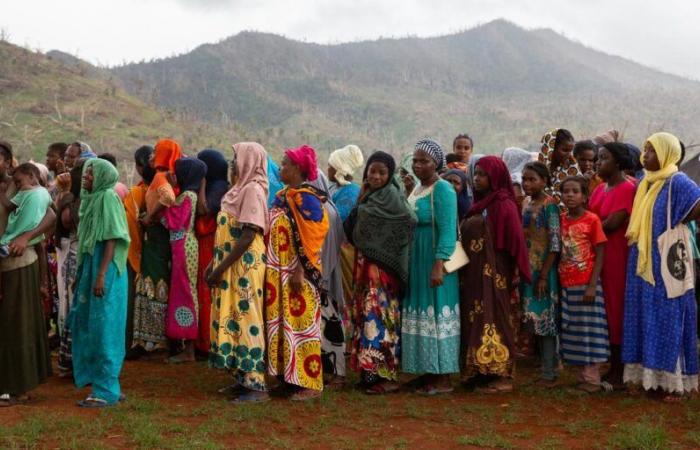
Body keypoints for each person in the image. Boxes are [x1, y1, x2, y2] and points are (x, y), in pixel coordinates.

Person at [623, 132, 700, 400]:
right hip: (644, 262)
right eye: (644, 150)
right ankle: (653, 379)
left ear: (667, 154)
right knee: (647, 315)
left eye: (651, 151)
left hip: (666, 261)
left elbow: (698, 204)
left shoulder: (677, 181)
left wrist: (680, 218)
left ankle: (675, 383)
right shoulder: (645, 181)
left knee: (670, 315)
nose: (645, 156)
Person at [460, 156, 531, 393]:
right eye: (476, 174)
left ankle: (501, 376)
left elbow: (515, 243)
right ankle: (481, 370)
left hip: (495, 275)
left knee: (495, 317)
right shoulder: (480, 204)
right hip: (474, 274)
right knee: (476, 318)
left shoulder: (504, 205)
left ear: (495, 177)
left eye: (482, 174)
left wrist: (517, 272)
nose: (477, 179)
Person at [347, 151, 416, 394]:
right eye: (372, 171)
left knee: (381, 320)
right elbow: (354, 224)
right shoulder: (370, 196)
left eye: (382, 172)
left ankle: (386, 376)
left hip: (384, 273)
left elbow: (409, 221)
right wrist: (362, 196)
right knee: (367, 317)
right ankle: (369, 373)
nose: (376, 176)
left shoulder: (393, 198)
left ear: (390, 175)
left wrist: (385, 250)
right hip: (366, 269)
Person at [265, 144, 329, 401]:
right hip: (280, 271)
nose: (281, 168)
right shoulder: (283, 194)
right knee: (284, 325)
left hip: (298, 272)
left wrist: (300, 270)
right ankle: (288, 379)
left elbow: (314, 236)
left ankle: (308, 384)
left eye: (284, 164)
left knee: (301, 327)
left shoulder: (308, 198)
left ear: (298, 169)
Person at [208, 142, 269, 403]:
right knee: (232, 316)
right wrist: (214, 263)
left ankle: (256, 384)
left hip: (244, 266)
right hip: (229, 264)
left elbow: (247, 236)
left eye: (237, 158)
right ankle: (241, 379)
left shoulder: (253, 190)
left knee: (247, 319)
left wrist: (221, 267)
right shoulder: (238, 189)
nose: (233, 162)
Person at [70, 158, 130, 407]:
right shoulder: (91, 200)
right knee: (89, 324)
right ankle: (106, 384)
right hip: (93, 267)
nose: (86, 176)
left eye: (91, 173)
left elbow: (112, 239)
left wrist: (101, 274)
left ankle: (105, 391)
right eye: (86, 172)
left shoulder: (107, 197)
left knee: (105, 328)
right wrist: (81, 275)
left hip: (105, 268)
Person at [402, 138, 460, 395]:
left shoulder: (443, 189)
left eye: (424, 161)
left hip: (435, 258)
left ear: (436, 163)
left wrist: (439, 264)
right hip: (417, 257)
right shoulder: (416, 189)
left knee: (437, 311)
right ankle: (427, 369)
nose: (418, 165)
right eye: (415, 160)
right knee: (422, 310)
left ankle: (443, 376)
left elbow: (448, 230)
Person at [0, 144, 56, 407]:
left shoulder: (18, 187)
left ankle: (15, 386)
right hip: (12, 262)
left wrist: (25, 236)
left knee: (17, 323)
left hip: (17, 262)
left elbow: (51, 214)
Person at [588, 142, 636, 390]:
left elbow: (611, 224)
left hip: (618, 257)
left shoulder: (627, 188)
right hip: (599, 257)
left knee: (617, 309)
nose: (597, 162)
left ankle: (620, 368)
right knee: (605, 308)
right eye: (597, 158)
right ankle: (610, 363)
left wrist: (588, 228)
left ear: (618, 162)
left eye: (603, 158)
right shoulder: (599, 189)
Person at [558, 176, 609, 393]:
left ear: (585, 196)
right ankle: (582, 377)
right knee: (574, 330)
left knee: (590, 331)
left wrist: (591, 285)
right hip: (566, 283)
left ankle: (592, 380)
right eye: (566, 191)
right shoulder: (560, 219)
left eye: (575, 191)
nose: (569, 195)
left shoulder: (592, 220)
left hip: (586, 283)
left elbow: (600, 253)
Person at [130, 138, 180, 356]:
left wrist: (150, 216)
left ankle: (155, 340)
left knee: (154, 284)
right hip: (157, 236)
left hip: (156, 237)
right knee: (153, 283)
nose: (151, 157)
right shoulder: (166, 176)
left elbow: (168, 197)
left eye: (155, 153)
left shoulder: (160, 176)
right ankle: (154, 339)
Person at [519, 162, 560, 387]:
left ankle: (549, 373)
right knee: (534, 318)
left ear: (544, 180)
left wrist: (544, 275)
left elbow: (555, 243)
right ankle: (546, 368)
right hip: (528, 269)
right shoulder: (526, 203)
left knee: (546, 320)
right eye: (524, 179)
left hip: (544, 270)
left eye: (532, 179)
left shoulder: (549, 205)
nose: (527, 183)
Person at [163, 157, 206, 363]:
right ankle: (185, 341)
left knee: (187, 293)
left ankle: (189, 348)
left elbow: (174, 222)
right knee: (182, 292)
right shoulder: (188, 194)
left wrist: (170, 193)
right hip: (180, 246)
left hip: (184, 246)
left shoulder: (187, 195)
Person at [308, 171, 347, 388]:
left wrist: (319, 276)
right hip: (327, 272)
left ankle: (338, 373)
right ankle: (330, 371)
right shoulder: (329, 206)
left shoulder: (320, 209)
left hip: (322, 276)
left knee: (330, 326)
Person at [195, 148, 229, 355]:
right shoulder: (217, 184)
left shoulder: (217, 187)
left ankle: (207, 341)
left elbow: (203, 209)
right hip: (207, 240)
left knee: (206, 289)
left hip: (210, 241)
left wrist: (201, 186)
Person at [55, 161, 86, 376]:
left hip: (76, 254)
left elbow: (66, 220)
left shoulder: (81, 199)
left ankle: (74, 359)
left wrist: (66, 193)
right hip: (74, 254)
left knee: (72, 303)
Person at [123, 146, 154, 350]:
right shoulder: (166, 189)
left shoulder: (136, 192)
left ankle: (132, 341)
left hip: (134, 252)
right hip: (156, 251)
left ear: (138, 167)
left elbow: (130, 225)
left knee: (131, 298)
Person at [538, 129, 581, 208]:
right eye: (565, 150)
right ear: (550, 148)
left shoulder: (571, 170)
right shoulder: (536, 171)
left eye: (570, 151)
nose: (568, 155)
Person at [328, 144, 364, 222]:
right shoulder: (334, 187)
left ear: (339, 169)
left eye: (330, 165)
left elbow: (337, 219)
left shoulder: (351, 192)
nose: (328, 169)